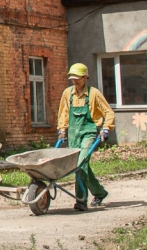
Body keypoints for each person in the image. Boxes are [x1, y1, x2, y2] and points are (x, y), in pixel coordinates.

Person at [57, 62, 115, 211]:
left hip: (88, 133)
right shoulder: (67, 93)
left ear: (85, 77)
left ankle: (81, 200)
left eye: (77, 78)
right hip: (73, 134)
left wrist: (106, 128)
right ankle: (99, 192)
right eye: (72, 78)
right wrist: (62, 130)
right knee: (80, 166)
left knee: (81, 163)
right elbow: (63, 113)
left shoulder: (94, 93)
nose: (74, 81)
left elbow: (108, 112)